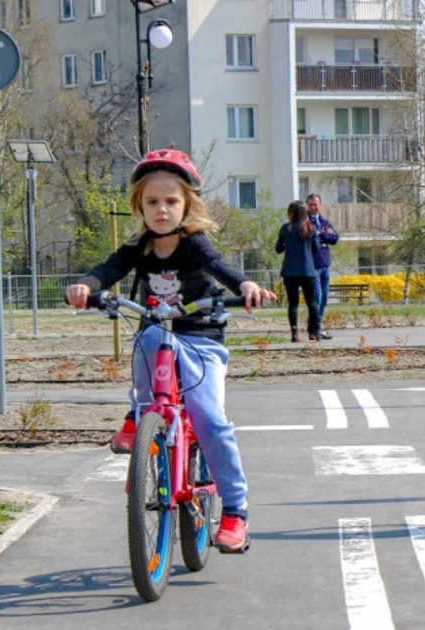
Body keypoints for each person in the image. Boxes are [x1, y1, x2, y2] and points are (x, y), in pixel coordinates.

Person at [65, 148, 275, 553]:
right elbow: (109, 269)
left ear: (188, 205)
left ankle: (234, 511)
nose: (161, 210)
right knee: (145, 338)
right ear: (139, 207)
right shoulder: (139, 247)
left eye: (171, 201)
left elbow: (220, 266)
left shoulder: (194, 244)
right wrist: (87, 287)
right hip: (159, 333)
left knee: (210, 421)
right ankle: (140, 415)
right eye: (152, 202)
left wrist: (245, 286)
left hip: (201, 338)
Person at [275, 200, 323, 342]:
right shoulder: (311, 228)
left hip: (290, 271)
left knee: (293, 303)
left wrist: (287, 246)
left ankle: (294, 333)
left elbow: (278, 249)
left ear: (291, 213)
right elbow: (317, 249)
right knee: (311, 302)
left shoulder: (286, 228)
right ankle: (314, 332)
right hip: (308, 270)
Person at [305, 193, 339, 338]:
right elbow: (310, 236)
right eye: (311, 204)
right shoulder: (305, 221)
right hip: (313, 265)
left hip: (325, 263)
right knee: (316, 298)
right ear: (307, 205)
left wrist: (322, 233)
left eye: (316, 204)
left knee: (324, 297)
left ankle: (318, 326)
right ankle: (314, 329)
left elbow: (334, 237)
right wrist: (321, 233)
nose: (314, 207)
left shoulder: (324, 222)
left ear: (320, 205)